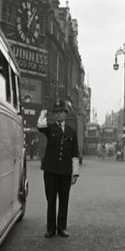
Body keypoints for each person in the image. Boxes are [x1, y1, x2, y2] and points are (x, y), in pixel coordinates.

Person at [37, 99, 79, 238]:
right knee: (51, 200)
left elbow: (74, 152)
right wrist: (44, 112)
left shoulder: (71, 132)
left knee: (64, 200)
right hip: (51, 171)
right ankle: (50, 228)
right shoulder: (49, 128)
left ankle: (62, 228)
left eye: (61, 112)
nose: (59, 115)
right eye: (56, 112)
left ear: (65, 114)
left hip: (65, 172)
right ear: (54, 115)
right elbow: (39, 126)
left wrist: (75, 173)